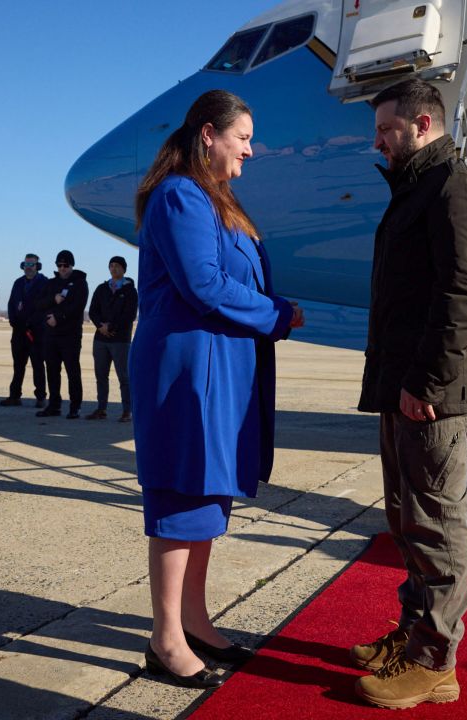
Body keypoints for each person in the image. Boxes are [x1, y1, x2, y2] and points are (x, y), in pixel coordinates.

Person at [132, 89, 303, 689]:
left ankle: (195, 621)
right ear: (209, 134)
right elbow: (204, 285)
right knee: (182, 500)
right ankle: (165, 638)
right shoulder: (180, 196)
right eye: (243, 137)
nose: (250, 150)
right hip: (188, 375)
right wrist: (278, 313)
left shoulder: (215, 201)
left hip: (220, 371)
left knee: (208, 500)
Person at [347, 79, 467, 710]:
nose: (377, 142)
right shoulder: (415, 188)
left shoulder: (453, 187)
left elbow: (464, 295)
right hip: (403, 388)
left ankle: (436, 662)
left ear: (423, 123)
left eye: (386, 130)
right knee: (408, 521)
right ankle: (413, 636)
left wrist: (425, 385)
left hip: (429, 395)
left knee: (436, 525)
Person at [33, 249, 88, 419]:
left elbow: (77, 307)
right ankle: (54, 405)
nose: (63, 268)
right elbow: (39, 304)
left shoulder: (80, 283)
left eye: (66, 265)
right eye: (60, 265)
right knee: (52, 370)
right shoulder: (51, 284)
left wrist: (58, 317)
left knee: (72, 371)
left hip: (70, 335)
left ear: (72, 265)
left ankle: (75, 406)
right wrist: (52, 300)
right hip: (51, 335)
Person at [86, 255, 137, 421]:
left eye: (117, 266)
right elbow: (93, 310)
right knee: (101, 375)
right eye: (111, 265)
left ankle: (127, 411)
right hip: (101, 339)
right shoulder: (102, 288)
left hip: (120, 339)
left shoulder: (130, 290)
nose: (114, 268)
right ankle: (101, 409)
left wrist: (112, 327)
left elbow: (129, 315)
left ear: (123, 269)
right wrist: (101, 326)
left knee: (124, 377)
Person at [0, 253, 49, 407]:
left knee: (38, 365)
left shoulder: (44, 283)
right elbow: (11, 304)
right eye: (25, 265)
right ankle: (14, 396)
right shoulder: (18, 283)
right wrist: (15, 322)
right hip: (19, 332)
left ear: (38, 266)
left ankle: (41, 397)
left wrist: (31, 323)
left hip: (36, 333)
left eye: (31, 265)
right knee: (18, 365)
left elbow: (44, 307)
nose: (28, 268)